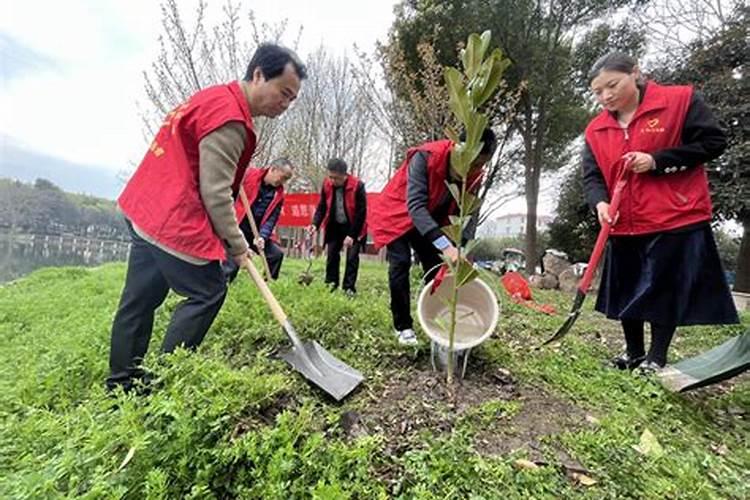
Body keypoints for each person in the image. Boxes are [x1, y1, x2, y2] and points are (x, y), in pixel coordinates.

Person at [107, 44, 306, 394]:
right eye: (284, 93)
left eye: (292, 100)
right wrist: (238, 245)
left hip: (145, 209)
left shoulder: (215, 98)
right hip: (172, 218)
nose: (286, 105)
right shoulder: (230, 119)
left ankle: (121, 385)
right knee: (208, 290)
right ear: (259, 74)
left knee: (139, 299)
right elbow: (215, 195)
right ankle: (165, 384)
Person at [582, 52, 739, 374]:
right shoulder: (596, 129)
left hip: (672, 215)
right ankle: (633, 352)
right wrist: (600, 203)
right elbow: (592, 176)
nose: (606, 96)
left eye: (612, 85)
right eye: (598, 92)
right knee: (627, 286)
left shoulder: (678, 102)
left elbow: (714, 142)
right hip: (622, 220)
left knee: (661, 287)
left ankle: (656, 355)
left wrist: (658, 160)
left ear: (635, 73)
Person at [370, 129, 497, 345]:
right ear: (458, 149)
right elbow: (416, 207)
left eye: (479, 166)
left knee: (438, 267)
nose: (472, 171)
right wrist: (446, 246)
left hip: (432, 221)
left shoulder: (475, 175)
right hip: (398, 212)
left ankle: (439, 323)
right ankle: (403, 327)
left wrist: (461, 247)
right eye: (470, 163)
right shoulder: (425, 157)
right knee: (400, 263)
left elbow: (467, 214)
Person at [222, 158, 294, 282]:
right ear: (273, 169)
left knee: (276, 255)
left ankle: (269, 283)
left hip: (256, 233)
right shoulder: (249, 175)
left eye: (286, 180)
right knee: (233, 262)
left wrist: (262, 236)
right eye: (282, 177)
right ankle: (224, 285)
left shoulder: (279, 194)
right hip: (237, 229)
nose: (283, 182)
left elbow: (272, 219)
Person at [309, 158, 367, 296]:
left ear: (345, 175)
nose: (333, 181)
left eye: (336, 178)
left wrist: (352, 235)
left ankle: (348, 288)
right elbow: (322, 206)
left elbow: (361, 213)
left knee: (352, 257)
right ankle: (331, 285)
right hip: (334, 225)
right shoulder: (327, 185)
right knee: (332, 255)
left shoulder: (357, 186)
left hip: (354, 226)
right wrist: (314, 224)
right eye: (330, 177)